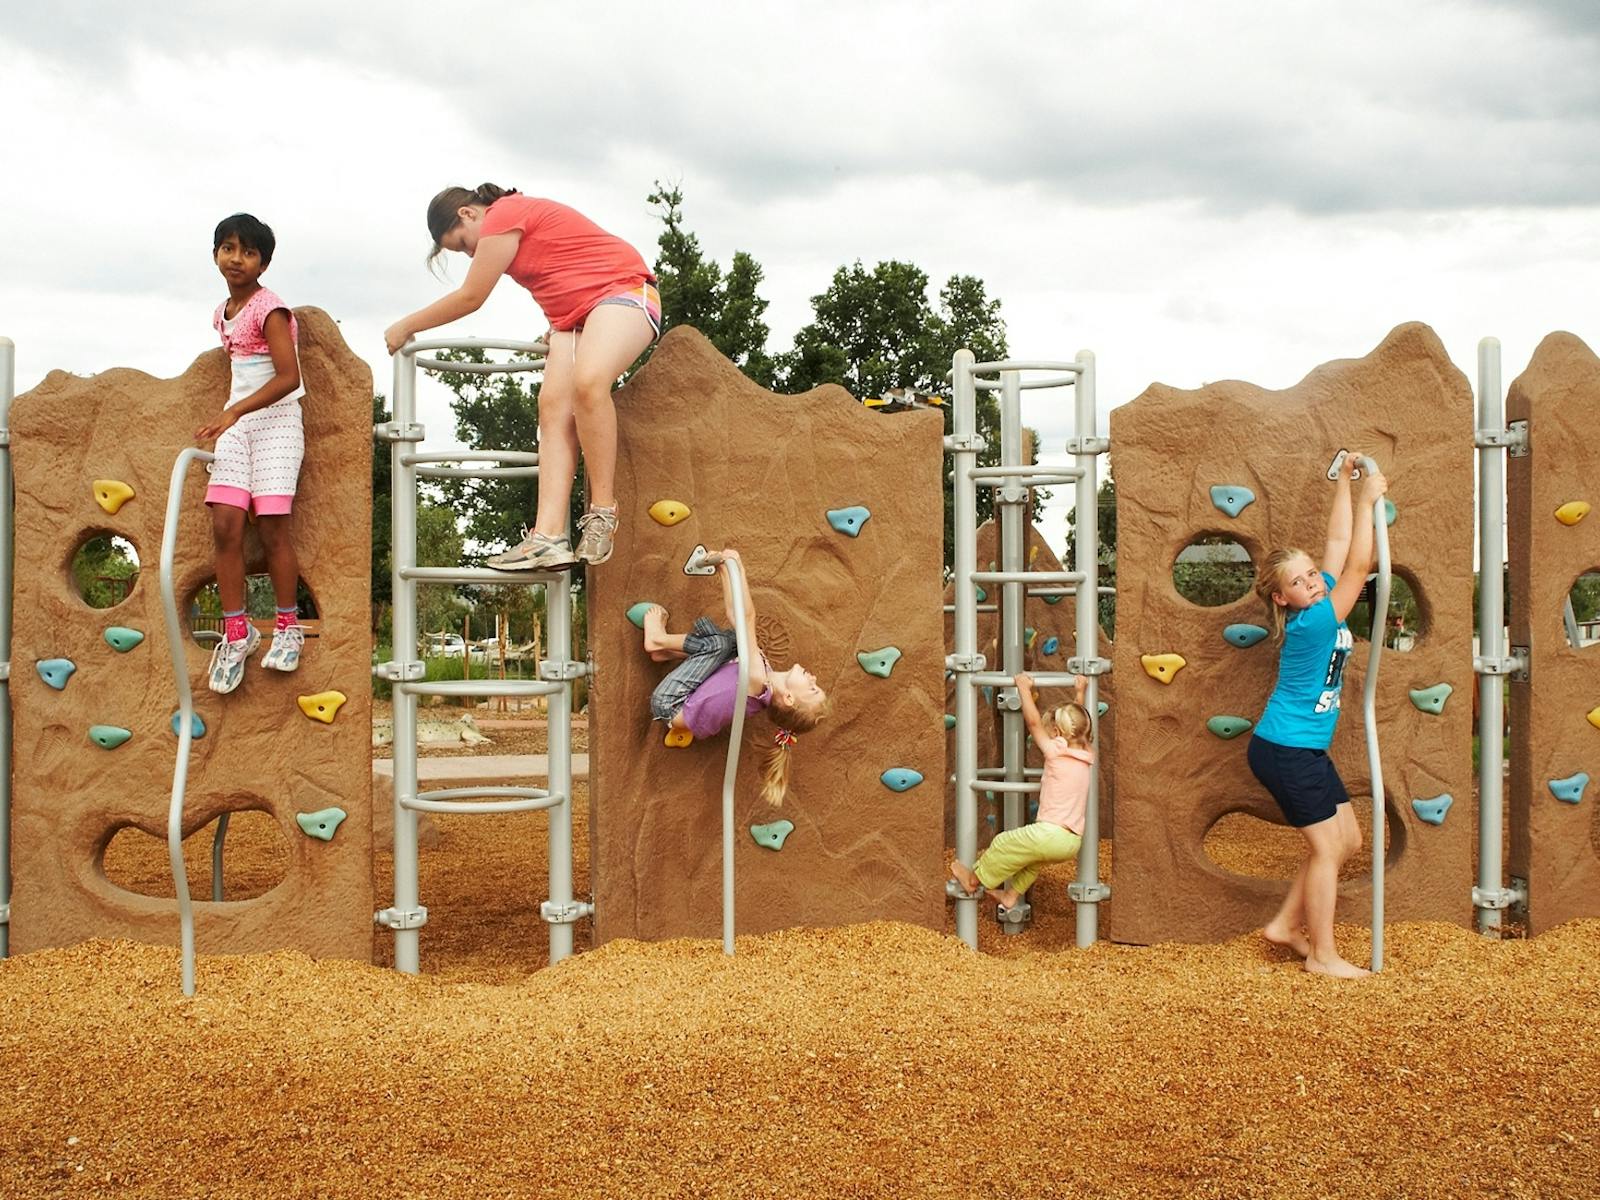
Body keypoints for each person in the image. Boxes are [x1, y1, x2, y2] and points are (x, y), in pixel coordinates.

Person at [383, 184, 660, 571]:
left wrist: (406, 326)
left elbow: (471, 296)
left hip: (625, 294)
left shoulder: (504, 214)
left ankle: (602, 513)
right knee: (553, 410)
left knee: (588, 383)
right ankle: (547, 537)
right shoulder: (506, 224)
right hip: (574, 321)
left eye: (462, 244)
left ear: (468, 213)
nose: (470, 254)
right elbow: (558, 267)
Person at [1245, 453, 1389, 979]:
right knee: (1328, 847)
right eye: (1300, 581)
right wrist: (1369, 502)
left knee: (1347, 840)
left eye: (1312, 574)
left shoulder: (1319, 601)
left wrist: (1345, 483)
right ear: (1282, 599)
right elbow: (1358, 566)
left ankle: (1286, 925)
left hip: (1303, 749)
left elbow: (1337, 544)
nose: (1312, 582)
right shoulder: (1316, 621)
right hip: (1285, 749)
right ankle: (1323, 957)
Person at [198, 213, 307, 694]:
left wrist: (234, 411)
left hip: (276, 423)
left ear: (263, 262)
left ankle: (288, 626)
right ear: (215, 254)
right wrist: (234, 416)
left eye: (248, 251)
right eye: (227, 248)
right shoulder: (221, 312)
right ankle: (237, 632)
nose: (236, 258)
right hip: (238, 426)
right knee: (225, 525)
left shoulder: (271, 309)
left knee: (272, 527)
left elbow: (289, 377)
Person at [639, 549, 830, 806]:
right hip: (684, 700)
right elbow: (738, 618)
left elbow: (743, 617)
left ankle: (656, 640)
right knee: (732, 643)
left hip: (671, 702)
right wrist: (726, 570)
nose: (814, 679)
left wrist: (735, 567)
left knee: (720, 645)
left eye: (813, 688)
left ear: (788, 698)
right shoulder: (762, 675)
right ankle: (665, 652)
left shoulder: (757, 679)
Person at [949, 672, 1093, 913]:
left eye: (1050, 731)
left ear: (1057, 733)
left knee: (1003, 842)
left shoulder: (1056, 751)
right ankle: (1011, 895)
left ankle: (974, 879)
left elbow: (1033, 723)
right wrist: (1081, 693)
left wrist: (1023, 689)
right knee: (1032, 862)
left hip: (1050, 834)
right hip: (1071, 842)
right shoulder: (1087, 752)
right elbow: (1079, 726)